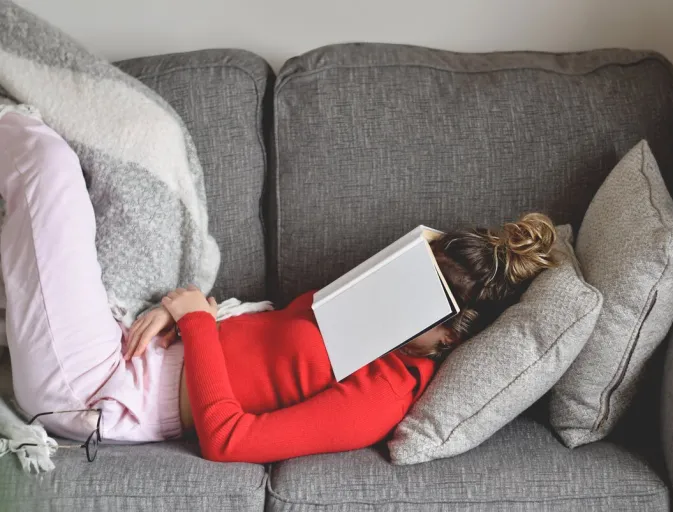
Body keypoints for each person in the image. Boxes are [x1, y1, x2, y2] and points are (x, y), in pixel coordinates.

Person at [0, 110, 557, 464]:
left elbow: (227, 439)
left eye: (418, 299)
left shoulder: (382, 397)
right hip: (129, 337)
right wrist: (189, 314)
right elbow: (254, 350)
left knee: (45, 164)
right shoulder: (357, 307)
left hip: (99, 389)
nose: (395, 292)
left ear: (448, 340)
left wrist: (194, 319)